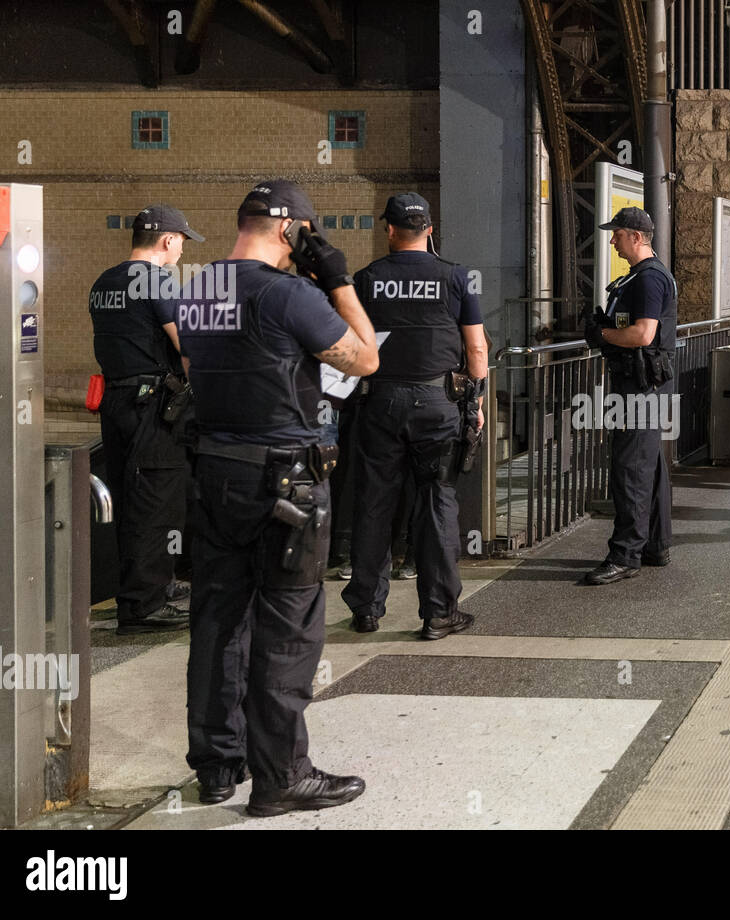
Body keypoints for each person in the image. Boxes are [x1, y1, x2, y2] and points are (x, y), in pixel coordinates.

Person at [180, 179, 378, 814]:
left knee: (217, 619)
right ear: (290, 229)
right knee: (288, 629)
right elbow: (365, 359)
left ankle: (216, 765)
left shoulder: (199, 289)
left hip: (214, 474)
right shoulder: (289, 293)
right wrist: (339, 281)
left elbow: (199, 369)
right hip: (284, 482)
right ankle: (282, 776)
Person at [342, 193, 487, 636]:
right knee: (438, 504)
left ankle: (366, 608)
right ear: (429, 229)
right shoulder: (457, 277)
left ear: (388, 230)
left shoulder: (365, 280)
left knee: (374, 504)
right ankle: (439, 613)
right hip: (439, 404)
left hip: (380, 403)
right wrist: (475, 402)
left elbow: (347, 346)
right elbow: (477, 347)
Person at [89, 205, 202, 636]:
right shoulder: (156, 281)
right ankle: (143, 607)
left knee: (130, 497)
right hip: (154, 408)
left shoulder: (105, 282)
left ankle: (147, 586)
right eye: (182, 241)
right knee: (156, 500)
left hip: (117, 402)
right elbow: (186, 345)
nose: (181, 249)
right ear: (168, 240)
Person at [583, 207, 677, 584]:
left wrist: (602, 335)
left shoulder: (649, 279)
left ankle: (625, 555)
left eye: (618, 234)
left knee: (630, 470)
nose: (612, 240)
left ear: (637, 237)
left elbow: (642, 335)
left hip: (640, 388)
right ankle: (653, 544)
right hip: (639, 385)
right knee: (647, 467)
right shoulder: (638, 278)